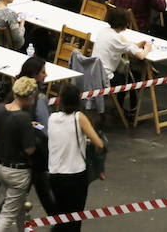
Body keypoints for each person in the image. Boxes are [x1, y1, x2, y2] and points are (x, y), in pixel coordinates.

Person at [46, 83, 106, 232]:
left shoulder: (52, 118)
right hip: (75, 175)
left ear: (60, 100)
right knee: (74, 219)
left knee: (61, 216)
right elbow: (99, 143)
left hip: (54, 175)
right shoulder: (79, 117)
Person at [0, 76, 42, 232]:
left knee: (18, 205)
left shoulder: (0, 108)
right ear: (29, 97)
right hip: (18, 172)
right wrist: (29, 131)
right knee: (6, 216)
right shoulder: (23, 118)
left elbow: (2, 129)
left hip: (1, 167)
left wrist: (25, 127)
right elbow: (29, 149)